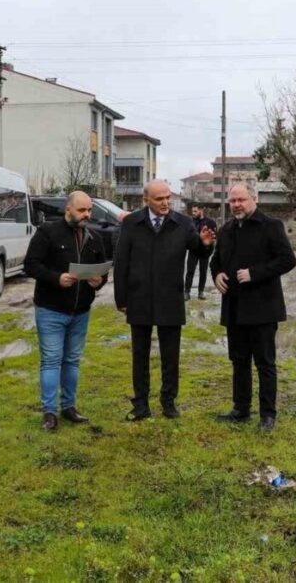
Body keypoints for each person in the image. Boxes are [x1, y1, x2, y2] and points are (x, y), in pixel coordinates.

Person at [114, 180, 216, 421]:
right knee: (140, 354)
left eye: (168, 197)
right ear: (146, 200)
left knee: (171, 356)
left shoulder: (183, 223)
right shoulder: (131, 223)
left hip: (170, 297)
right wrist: (121, 298)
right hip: (139, 297)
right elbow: (121, 262)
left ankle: (168, 401)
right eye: (159, 199)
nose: (165, 203)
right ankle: (140, 404)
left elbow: (199, 251)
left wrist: (205, 244)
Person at [211, 183, 296, 431]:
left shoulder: (271, 226)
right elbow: (215, 261)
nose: (237, 205)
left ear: (254, 199)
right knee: (239, 361)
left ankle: (267, 415)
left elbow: (288, 260)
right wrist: (216, 275)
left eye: (242, 200)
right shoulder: (226, 230)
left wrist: (255, 273)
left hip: (262, 307)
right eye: (233, 201)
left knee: (265, 363)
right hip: (234, 308)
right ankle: (240, 409)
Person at [24, 191, 108, 431]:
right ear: (68, 210)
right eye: (82, 210)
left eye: (89, 210)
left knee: (72, 360)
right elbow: (31, 265)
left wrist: (98, 282)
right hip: (51, 309)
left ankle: (69, 407)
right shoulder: (48, 232)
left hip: (81, 311)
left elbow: (102, 272)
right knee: (51, 360)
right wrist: (56, 278)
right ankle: (49, 413)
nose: (87, 215)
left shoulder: (94, 237)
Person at [185, 204, 218, 300]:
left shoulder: (210, 222)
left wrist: (209, 247)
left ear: (201, 210)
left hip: (205, 251)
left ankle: (201, 292)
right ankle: (187, 292)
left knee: (203, 272)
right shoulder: (190, 222)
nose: (193, 213)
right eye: (192, 211)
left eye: (195, 211)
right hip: (193, 251)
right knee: (190, 272)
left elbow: (213, 237)